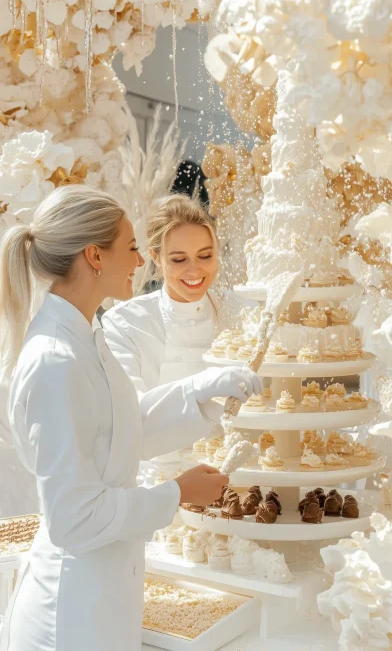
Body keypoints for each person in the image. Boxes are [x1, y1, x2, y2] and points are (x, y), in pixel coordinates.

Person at [0, 185, 260, 651]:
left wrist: (203, 389)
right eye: (133, 247)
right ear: (94, 256)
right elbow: (73, 518)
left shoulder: (86, 335)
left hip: (101, 600)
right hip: (69, 617)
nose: (141, 263)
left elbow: (121, 430)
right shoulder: (55, 360)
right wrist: (176, 494)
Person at [102, 194, 236, 471]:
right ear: (156, 257)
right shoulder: (125, 322)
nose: (194, 269)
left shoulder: (239, 314)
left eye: (205, 255)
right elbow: (131, 417)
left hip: (234, 471)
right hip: (158, 479)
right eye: (178, 259)